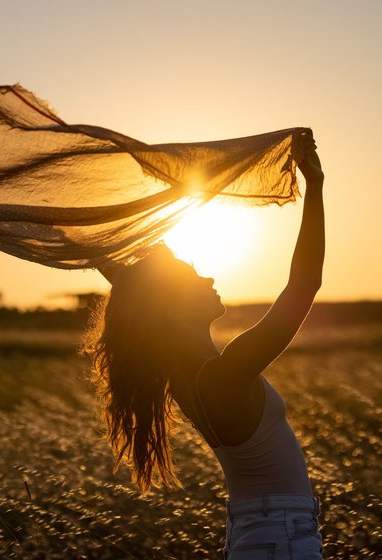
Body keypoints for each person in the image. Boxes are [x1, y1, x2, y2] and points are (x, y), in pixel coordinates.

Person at [84, 131, 325, 558]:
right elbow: (304, 285)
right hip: (279, 537)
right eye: (194, 278)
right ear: (173, 308)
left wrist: (90, 243)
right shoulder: (222, 376)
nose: (209, 278)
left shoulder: (184, 370)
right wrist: (316, 187)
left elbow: (137, 291)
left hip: (263, 531)